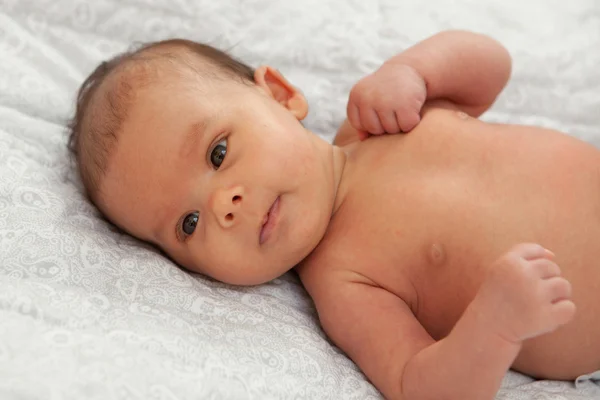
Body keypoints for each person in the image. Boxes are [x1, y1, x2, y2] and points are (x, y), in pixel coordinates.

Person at [68, 30, 600, 400]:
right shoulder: (344, 284)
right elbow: (422, 386)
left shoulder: (377, 118)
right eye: (188, 225)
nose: (222, 205)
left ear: (280, 95)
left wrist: (413, 69)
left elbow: (492, 67)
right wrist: (496, 324)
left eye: (218, 153)